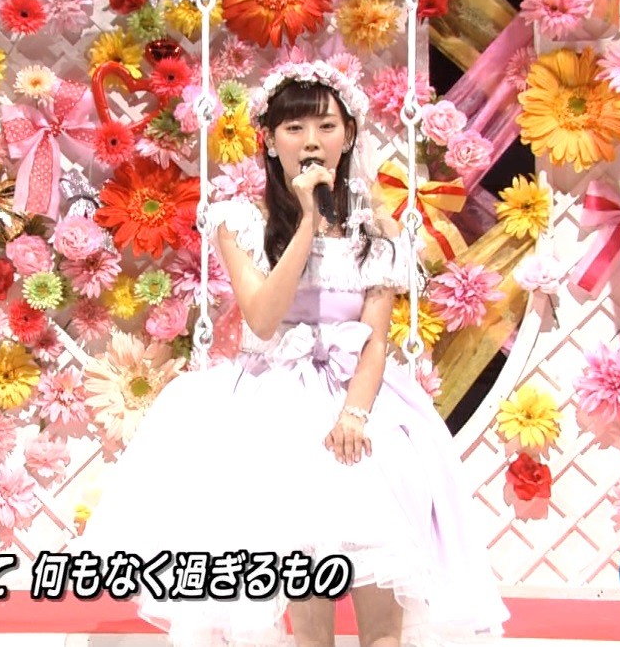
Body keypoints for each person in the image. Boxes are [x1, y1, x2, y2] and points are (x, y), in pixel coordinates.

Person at [79, 61, 509, 647]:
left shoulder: (377, 233)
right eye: (295, 128)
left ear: (348, 135)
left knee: (384, 588)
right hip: (275, 405)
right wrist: (308, 220)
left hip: (360, 403)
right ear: (268, 139)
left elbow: (375, 340)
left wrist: (354, 415)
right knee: (305, 600)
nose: (311, 141)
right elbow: (262, 317)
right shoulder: (239, 221)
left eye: (326, 126)